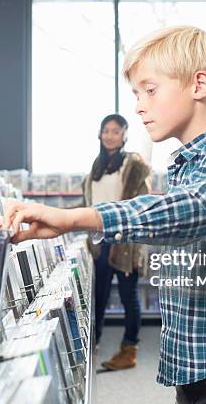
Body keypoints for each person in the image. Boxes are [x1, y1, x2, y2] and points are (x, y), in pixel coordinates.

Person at [0, 26, 206, 404]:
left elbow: (193, 210)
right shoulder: (191, 162)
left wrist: (74, 218)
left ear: (199, 85)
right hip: (202, 369)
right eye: (136, 93)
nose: (139, 105)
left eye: (150, 89)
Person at [83, 113, 151, 370]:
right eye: (105, 131)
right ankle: (93, 345)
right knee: (97, 297)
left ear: (124, 135)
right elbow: (88, 204)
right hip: (99, 243)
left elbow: (142, 207)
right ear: (99, 134)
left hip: (125, 242)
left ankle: (129, 351)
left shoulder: (133, 165)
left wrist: (137, 250)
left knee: (128, 297)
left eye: (115, 131)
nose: (110, 135)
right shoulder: (96, 167)